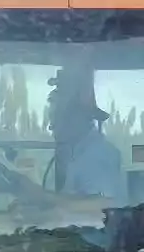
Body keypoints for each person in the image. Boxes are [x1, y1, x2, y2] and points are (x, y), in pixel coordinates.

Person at [13, 64, 127, 226]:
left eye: (56, 118)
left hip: (92, 240)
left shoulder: (98, 153)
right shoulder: (76, 152)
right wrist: (36, 204)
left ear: (76, 116)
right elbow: (72, 202)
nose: (51, 127)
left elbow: (103, 204)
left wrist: (42, 196)